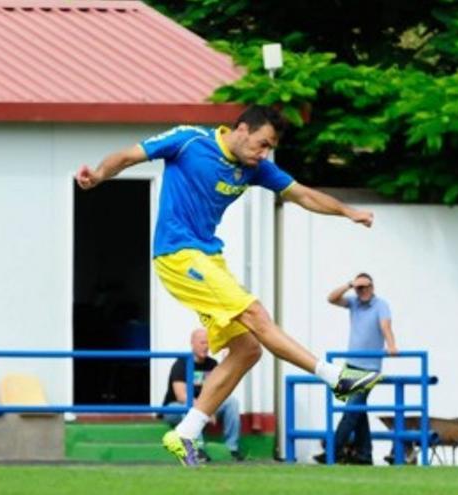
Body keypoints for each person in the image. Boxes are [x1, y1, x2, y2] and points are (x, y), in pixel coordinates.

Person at [76, 105, 383, 466]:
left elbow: (303, 194)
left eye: (269, 148)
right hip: (178, 255)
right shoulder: (189, 141)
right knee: (255, 313)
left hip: (208, 257)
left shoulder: (255, 168)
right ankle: (336, 379)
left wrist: (349, 212)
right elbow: (128, 156)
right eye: (262, 144)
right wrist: (98, 176)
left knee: (248, 349)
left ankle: (186, 432)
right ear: (240, 129)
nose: (264, 153)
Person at [314, 273, 398, 464]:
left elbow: (386, 326)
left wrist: (392, 345)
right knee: (357, 411)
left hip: (370, 368)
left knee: (351, 411)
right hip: (351, 365)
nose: (363, 291)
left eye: (366, 287)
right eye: (359, 288)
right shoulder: (354, 303)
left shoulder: (381, 305)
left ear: (373, 287)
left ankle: (332, 451)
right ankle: (364, 454)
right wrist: (350, 284)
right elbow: (331, 298)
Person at [163, 328, 243, 462]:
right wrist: (205, 410)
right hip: (175, 408)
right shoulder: (181, 363)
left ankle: (232, 448)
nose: (206, 347)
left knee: (232, 402)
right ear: (192, 343)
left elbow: (219, 390)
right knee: (188, 407)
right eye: (202, 343)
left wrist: (208, 408)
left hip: (204, 406)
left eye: (208, 343)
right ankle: (197, 449)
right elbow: (181, 395)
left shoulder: (212, 364)